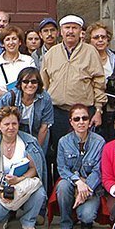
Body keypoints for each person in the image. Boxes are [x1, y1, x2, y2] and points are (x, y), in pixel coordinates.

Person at [40, 15, 107, 169]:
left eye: (74, 28)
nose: (70, 31)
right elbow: (44, 84)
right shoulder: (51, 53)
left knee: (86, 153)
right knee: (60, 152)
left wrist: (98, 110)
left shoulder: (91, 52)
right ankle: (62, 183)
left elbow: (99, 83)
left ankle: (86, 182)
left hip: (84, 113)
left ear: (80, 31)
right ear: (61, 31)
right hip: (58, 113)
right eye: (67, 28)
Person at [0, 106, 48, 229]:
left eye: (14, 124)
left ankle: (28, 221)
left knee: (40, 193)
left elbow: (34, 169)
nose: (11, 127)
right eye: (6, 124)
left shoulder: (29, 142)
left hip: (22, 183)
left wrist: (19, 179)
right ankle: (3, 218)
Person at [55, 103, 105, 229]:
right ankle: (66, 223)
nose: (81, 122)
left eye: (84, 118)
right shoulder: (63, 142)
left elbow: (98, 171)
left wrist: (85, 188)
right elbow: (62, 168)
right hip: (72, 181)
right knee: (62, 186)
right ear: (71, 122)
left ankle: (83, 217)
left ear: (89, 121)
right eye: (76, 119)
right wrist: (78, 182)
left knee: (87, 216)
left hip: (91, 185)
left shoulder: (99, 142)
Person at [0, 67, 54, 152]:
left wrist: (36, 150)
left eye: (34, 81)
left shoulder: (45, 98)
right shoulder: (8, 97)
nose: (30, 85)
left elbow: (44, 127)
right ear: (20, 83)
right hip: (11, 133)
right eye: (26, 81)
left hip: (37, 134)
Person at [87, 21, 115, 141]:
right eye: (96, 37)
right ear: (89, 40)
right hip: (94, 108)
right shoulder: (85, 60)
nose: (100, 40)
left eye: (103, 37)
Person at [0, 25, 35, 99]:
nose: (11, 42)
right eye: (7, 39)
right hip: (1, 103)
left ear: (20, 42)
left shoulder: (28, 61)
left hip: (24, 103)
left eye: (14, 39)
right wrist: (11, 96)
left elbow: (33, 83)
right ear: (3, 44)